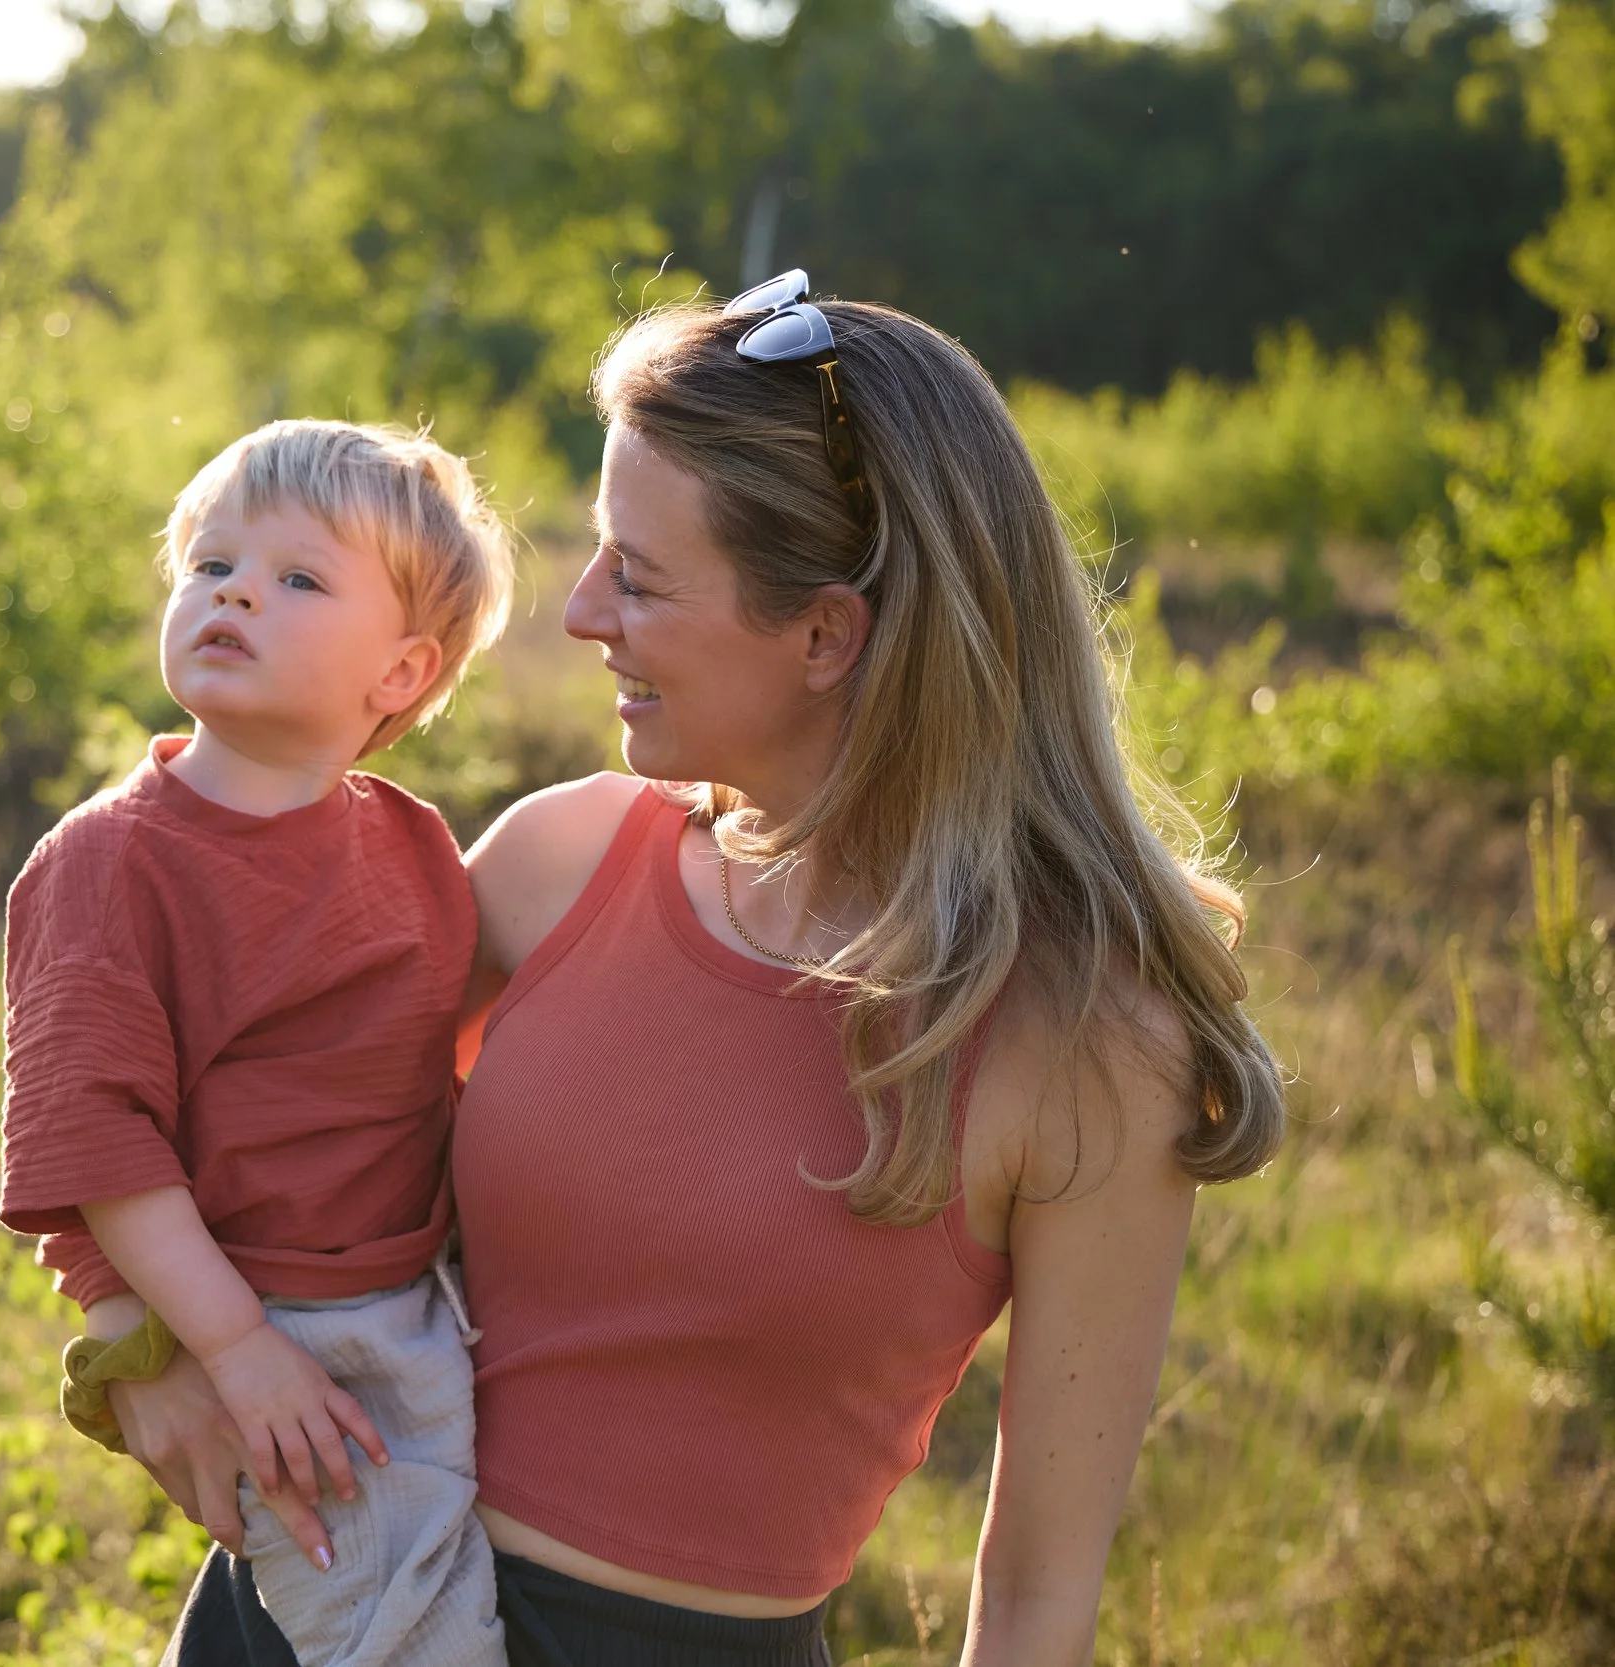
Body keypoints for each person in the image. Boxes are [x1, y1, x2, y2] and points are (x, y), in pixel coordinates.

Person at [110, 278, 1287, 1665]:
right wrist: (140, 1346)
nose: (583, 611)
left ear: (826, 634)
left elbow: (1036, 1595)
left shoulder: (1091, 1043)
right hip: (319, 1615)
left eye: (643, 576)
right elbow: (172, 1084)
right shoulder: (557, 863)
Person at [0, 418, 518, 1666]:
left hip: (423, 1307)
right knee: (410, 1640)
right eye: (209, 563)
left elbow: (434, 1061)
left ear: (399, 674)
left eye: (296, 578)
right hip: (276, 1320)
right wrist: (233, 1350)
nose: (231, 588)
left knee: (427, 1600)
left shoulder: (410, 846)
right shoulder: (113, 860)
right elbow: (99, 1143)